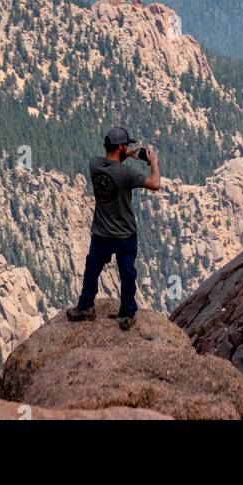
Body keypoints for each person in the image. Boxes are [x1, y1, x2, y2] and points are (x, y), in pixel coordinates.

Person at [67, 126, 160, 331]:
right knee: (127, 273)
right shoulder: (127, 173)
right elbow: (155, 184)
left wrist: (124, 151)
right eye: (125, 145)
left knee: (92, 269)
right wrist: (152, 163)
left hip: (101, 232)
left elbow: (113, 159)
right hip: (125, 233)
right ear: (120, 147)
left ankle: (85, 307)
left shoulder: (94, 165)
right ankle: (127, 313)